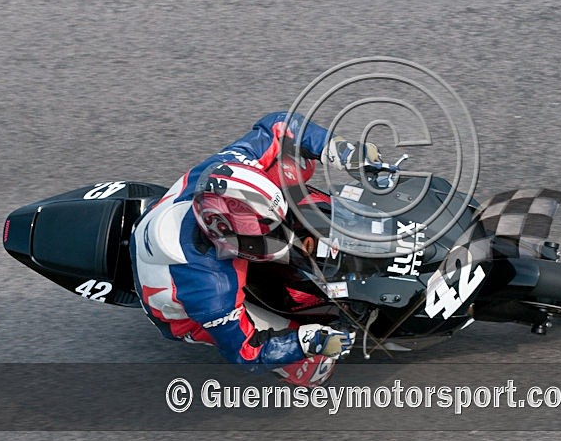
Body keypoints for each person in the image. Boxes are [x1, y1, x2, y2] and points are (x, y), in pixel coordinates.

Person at [129, 111, 380, 386]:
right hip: (182, 309)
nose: (282, 237)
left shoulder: (229, 166)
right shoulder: (211, 289)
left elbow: (282, 127)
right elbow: (247, 353)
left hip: (174, 218)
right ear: (223, 235)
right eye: (265, 236)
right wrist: (310, 341)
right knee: (314, 369)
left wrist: (338, 149)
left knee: (290, 165)